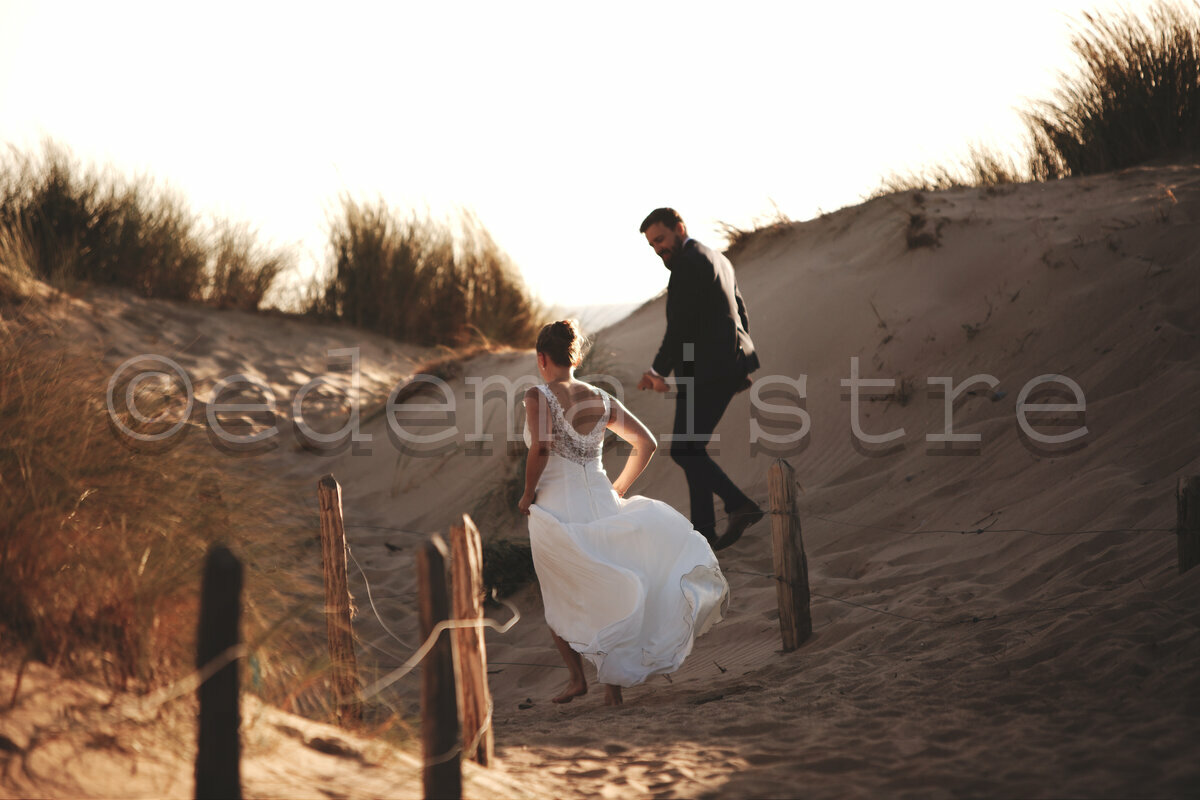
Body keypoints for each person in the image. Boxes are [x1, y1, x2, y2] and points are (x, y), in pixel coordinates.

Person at [518, 319, 729, 706]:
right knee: (605, 588)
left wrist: (526, 494)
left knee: (560, 594)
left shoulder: (538, 395)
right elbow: (645, 444)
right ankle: (609, 689)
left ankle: (577, 679)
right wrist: (617, 489)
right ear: (575, 356)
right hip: (600, 502)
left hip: (556, 507)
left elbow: (541, 448)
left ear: (542, 357)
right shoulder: (601, 397)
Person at [636, 207, 764, 551]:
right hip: (722, 366)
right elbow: (737, 311)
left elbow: (679, 328)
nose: (659, 249)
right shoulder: (718, 258)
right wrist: (742, 365)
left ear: (680, 228)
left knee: (684, 449)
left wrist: (657, 372)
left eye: (661, 239)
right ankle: (704, 532)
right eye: (652, 245)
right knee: (691, 448)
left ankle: (739, 506)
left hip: (708, 370)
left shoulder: (687, 265)